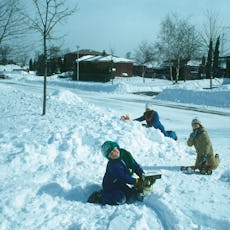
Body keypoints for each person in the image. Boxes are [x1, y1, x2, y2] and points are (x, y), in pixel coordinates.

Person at [100, 141, 145, 205]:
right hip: (111, 185)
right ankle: (101, 196)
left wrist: (141, 174)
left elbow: (134, 165)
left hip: (120, 183)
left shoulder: (126, 154)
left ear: (117, 147)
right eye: (110, 154)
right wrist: (135, 181)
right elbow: (122, 176)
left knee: (130, 197)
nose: (114, 154)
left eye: (114, 150)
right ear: (108, 157)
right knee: (120, 199)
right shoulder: (112, 165)